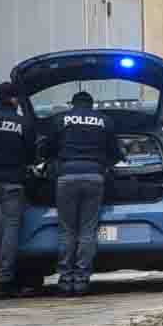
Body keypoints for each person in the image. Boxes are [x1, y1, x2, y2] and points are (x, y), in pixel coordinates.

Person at [48, 91, 123, 295]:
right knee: (87, 230)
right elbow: (117, 153)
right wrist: (103, 166)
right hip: (94, 177)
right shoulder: (104, 121)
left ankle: (65, 279)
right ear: (92, 105)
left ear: (73, 104)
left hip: (66, 177)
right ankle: (81, 279)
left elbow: (47, 150)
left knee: (67, 230)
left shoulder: (60, 119)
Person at [0, 83, 36, 299]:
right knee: (8, 234)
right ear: (13, 100)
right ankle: (4, 283)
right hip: (12, 184)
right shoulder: (22, 122)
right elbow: (31, 155)